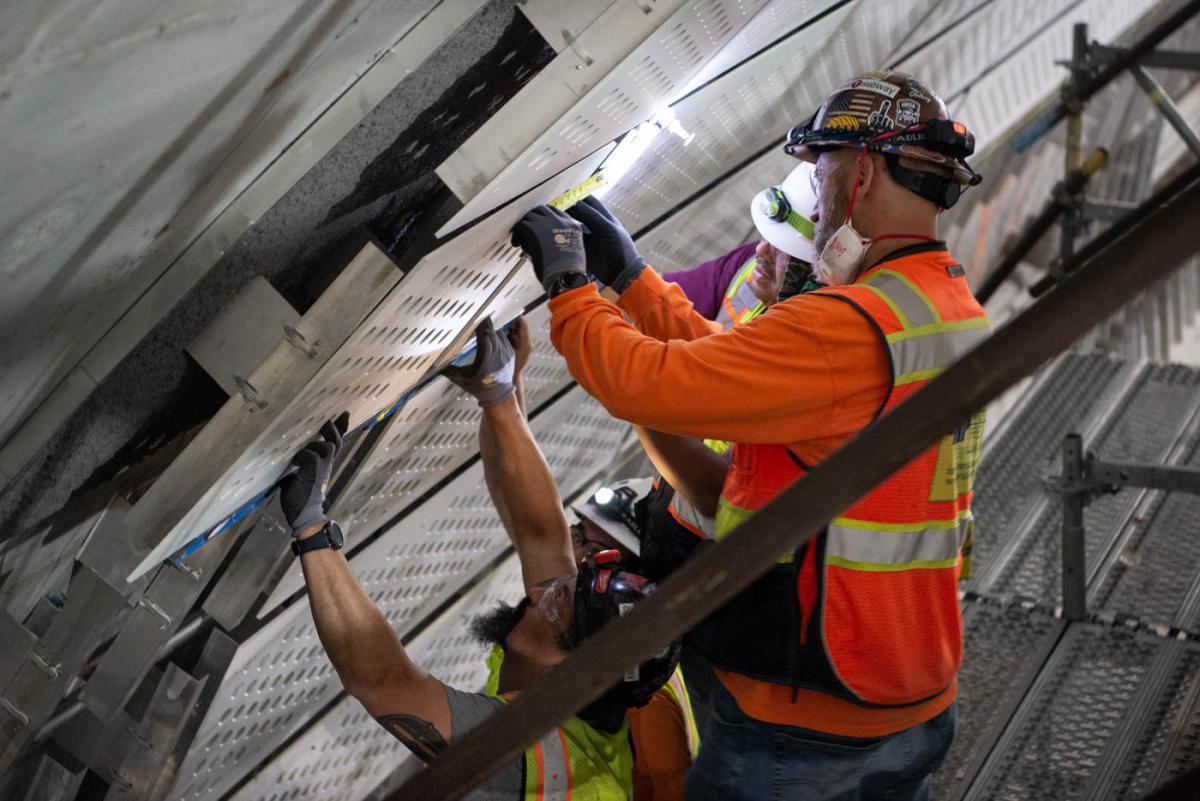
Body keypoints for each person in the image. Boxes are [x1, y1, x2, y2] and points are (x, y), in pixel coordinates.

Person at [510, 70, 989, 801]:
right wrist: (635, 281)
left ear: (858, 174)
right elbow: (739, 373)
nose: (818, 196)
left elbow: (653, 384)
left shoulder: (848, 324)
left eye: (820, 171)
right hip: (908, 686)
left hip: (807, 720)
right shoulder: (942, 306)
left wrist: (573, 289)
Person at [278, 318, 687, 800]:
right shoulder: (589, 662)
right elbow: (541, 535)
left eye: (555, 603)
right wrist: (500, 395)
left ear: (567, 668)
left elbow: (385, 684)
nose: (543, 592)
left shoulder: (543, 764)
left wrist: (311, 530)